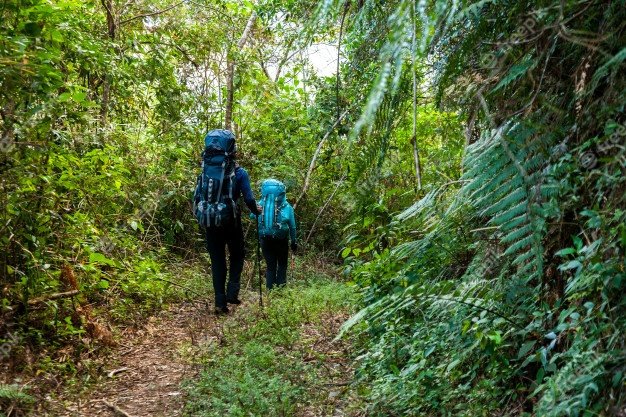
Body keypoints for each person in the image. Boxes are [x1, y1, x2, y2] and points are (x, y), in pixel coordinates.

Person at [193, 129, 260, 315]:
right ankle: (232, 292)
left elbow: (198, 195)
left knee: (217, 261)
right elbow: (249, 199)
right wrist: (257, 211)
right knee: (237, 255)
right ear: (233, 150)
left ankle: (219, 303)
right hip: (232, 222)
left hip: (210, 222)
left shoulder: (205, 171)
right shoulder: (240, 173)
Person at [255, 179, 297, 290]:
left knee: (270, 266)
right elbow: (292, 227)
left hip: (265, 238)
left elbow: (251, 216)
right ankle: (280, 290)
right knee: (282, 265)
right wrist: (294, 242)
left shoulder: (261, 204)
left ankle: (270, 291)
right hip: (281, 240)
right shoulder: (287, 207)